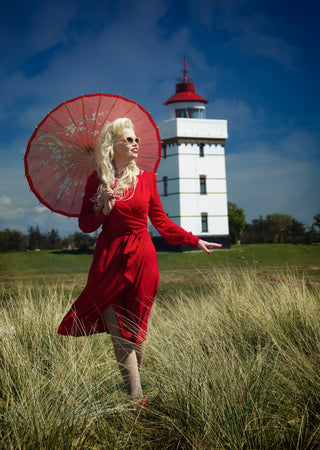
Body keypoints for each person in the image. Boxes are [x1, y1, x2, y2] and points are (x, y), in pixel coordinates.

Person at [58, 118, 222, 402]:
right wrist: (103, 209)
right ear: (113, 146)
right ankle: (136, 399)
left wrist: (193, 239)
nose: (136, 144)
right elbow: (85, 225)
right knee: (119, 331)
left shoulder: (147, 179)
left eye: (137, 140)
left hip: (143, 257)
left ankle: (133, 387)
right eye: (128, 139)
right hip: (108, 258)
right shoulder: (96, 180)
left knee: (136, 332)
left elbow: (160, 221)